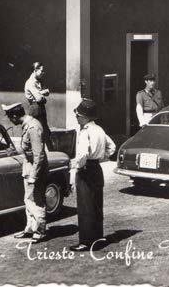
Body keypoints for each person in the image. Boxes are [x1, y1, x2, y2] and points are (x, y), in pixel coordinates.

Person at [70, 99, 116, 252]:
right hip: (96, 168)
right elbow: (112, 147)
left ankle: (86, 241)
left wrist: (77, 167)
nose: (76, 117)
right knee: (96, 204)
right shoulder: (99, 130)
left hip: (86, 170)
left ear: (84, 117)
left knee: (85, 206)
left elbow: (82, 154)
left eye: (77, 115)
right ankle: (98, 237)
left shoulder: (85, 132)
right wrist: (100, 158)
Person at [3, 102, 48, 243]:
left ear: (15, 116)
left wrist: (34, 176)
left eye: (11, 118)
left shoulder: (33, 127)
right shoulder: (28, 125)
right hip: (29, 167)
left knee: (36, 201)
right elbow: (27, 148)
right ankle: (30, 228)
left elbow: (39, 155)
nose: (11, 121)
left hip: (35, 170)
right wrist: (15, 150)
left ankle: (40, 231)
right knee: (28, 200)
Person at [24, 62, 52, 146]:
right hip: (35, 109)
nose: (43, 73)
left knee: (45, 132)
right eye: (41, 71)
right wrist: (43, 94)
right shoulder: (31, 82)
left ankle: (49, 153)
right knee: (35, 132)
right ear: (35, 70)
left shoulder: (38, 81)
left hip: (40, 108)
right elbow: (39, 98)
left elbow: (45, 93)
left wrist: (41, 93)